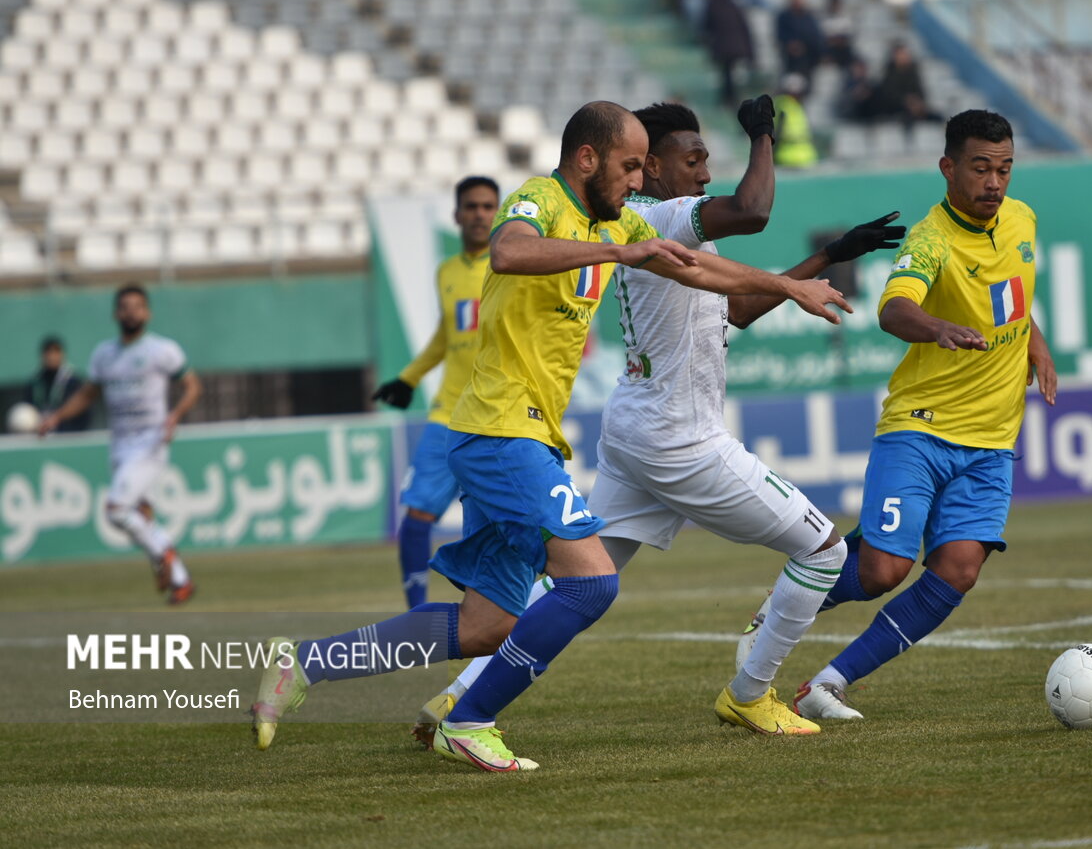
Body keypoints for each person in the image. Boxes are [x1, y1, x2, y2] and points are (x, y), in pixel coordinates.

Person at [250, 100, 853, 772]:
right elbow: (507, 253)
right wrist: (620, 248)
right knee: (591, 584)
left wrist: (786, 285)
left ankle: (307, 661)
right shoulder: (540, 200)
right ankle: (471, 719)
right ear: (587, 159)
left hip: (526, 438)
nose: (635, 179)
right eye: (627, 166)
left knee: (487, 625)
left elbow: (696, 268)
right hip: (499, 432)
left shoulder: (616, 218)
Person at [410, 96, 905, 741]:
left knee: (581, 579)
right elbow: (753, 209)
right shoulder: (657, 215)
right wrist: (762, 136)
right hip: (681, 438)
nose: (703, 173)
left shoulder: (645, 229)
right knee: (822, 550)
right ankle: (751, 693)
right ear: (654, 170)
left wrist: (819, 263)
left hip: (638, 432)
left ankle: (458, 697)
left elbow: (734, 310)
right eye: (687, 160)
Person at [741, 109, 1057, 720]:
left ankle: (827, 685)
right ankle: (781, 604)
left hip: (992, 442)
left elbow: (1014, 301)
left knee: (959, 571)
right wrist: (937, 327)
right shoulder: (929, 239)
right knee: (885, 569)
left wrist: (1035, 343)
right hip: (921, 427)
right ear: (948, 168)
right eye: (981, 168)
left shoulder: (1022, 220)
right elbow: (893, 310)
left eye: (1005, 168)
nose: (995, 183)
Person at [371, 176, 500, 608]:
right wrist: (408, 378)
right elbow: (447, 337)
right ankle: (416, 613)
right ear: (458, 215)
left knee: (504, 524)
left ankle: (506, 608)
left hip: (497, 414)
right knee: (415, 521)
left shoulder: (513, 265)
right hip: (448, 413)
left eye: (487, 206)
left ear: (498, 212)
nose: (480, 214)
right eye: (472, 206)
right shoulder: (446, 272)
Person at [38, 285, 202, 604]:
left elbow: (192, 386)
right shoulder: (104, 354)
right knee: (142, 515)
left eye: (137, 307)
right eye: (125, 307)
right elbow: (88, 394)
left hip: (150, 441)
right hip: (120, 444)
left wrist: (175, 416)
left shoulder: (161, 350)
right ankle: (181, 581)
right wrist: (56, 416)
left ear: (148, 312)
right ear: (116, 313)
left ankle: (163, 553)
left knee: (116, 510)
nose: (131, 312)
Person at [24, 336, 90, 432]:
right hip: (41, 434)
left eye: (56, 352)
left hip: (67, 436)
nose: (52, 356)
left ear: (62, 354)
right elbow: (28, 409)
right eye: (48, 352)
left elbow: (84, 413)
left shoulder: (73, 382)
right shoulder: (35, 383)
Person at [703, 0, 755, 108]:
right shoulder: (734, 5)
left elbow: (707, 26)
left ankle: (728, 99)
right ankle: (730, 98)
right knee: (729, 74)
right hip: (735, 47)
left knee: (727, 74)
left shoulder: (713, 5)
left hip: (723, 47)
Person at [871, 41, 938, 126]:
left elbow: (919, 90)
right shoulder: (889, 73)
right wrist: (906, 100)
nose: (904, 56)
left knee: (936, 118)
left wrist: (917, 102)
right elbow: (888, 94)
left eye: (905, 54)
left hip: (914, 107)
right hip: (895, 110)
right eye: (901, 54)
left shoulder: (913, 72)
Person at [775, 0, 825, 86]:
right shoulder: (784, 17)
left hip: (808, 62)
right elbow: (781, 36)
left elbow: (815, 37)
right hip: (791, 63)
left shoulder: (809, 17)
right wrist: (791, 44)